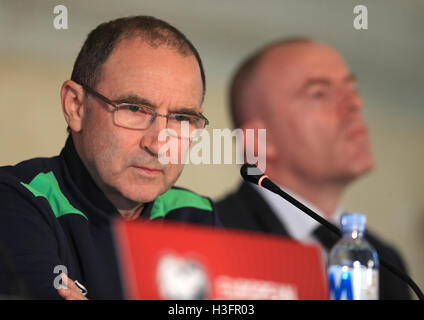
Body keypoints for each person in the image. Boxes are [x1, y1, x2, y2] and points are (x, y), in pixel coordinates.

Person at [0, 15, 220, 300]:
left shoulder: (195, 214)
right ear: (76, 106)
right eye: (134, 109)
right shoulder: (17, 199)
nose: (157, 144)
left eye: (181, 117)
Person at [216, 38, 411, 299]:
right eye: (319, 93)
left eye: (352, 88)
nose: (354, 103)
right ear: (261, 140)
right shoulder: (210, 236)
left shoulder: (385, 261)